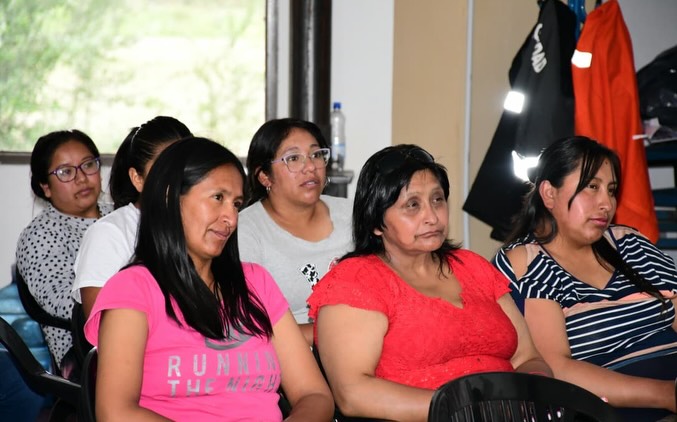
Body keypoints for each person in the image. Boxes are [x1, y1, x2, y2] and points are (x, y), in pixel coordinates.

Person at [84, 137, 334, 421]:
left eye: (236, 204)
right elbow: (115, 412)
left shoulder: (256, 282)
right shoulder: (133, 289)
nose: (231, 218)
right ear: (169, 198)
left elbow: (314, 395)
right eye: (218, 198)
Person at [307, 144, 551, 421]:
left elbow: (526, 357)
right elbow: (353, 394)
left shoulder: (473, 266)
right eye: (412, 205)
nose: (432, 217)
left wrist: (537, 392)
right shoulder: (355, 280)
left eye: (437, 200)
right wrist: (467, 410)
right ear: (375, 221)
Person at [494, 136, 677, 420]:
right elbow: (556, 367)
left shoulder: (630, 244)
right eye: (592, 187)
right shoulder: (527, 263)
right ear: (549, 194)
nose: (606, 203)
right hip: (613, 412)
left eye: (611, 190)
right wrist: (665, 395)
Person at [238, 118, 352, 345]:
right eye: (293, 158)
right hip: (287, 358)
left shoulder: (352, 214)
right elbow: (250, 331)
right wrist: (335, 331)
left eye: (316, 154)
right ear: (264, 176)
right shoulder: (246, 231)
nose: (310, 167)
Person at [72, 116, 192, 318]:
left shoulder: (203, 224)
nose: (179, 180)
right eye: (166, 170)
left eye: (187, 169)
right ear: (138, 178)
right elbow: (102, 326)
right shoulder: (109, 234)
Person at [15, 129, 112, 378]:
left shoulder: (122, 215)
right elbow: (61, 302)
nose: (81, 178)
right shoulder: (40, 235)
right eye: (66, 172)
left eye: (88, 165)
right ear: (45, 187)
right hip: (83, 351)